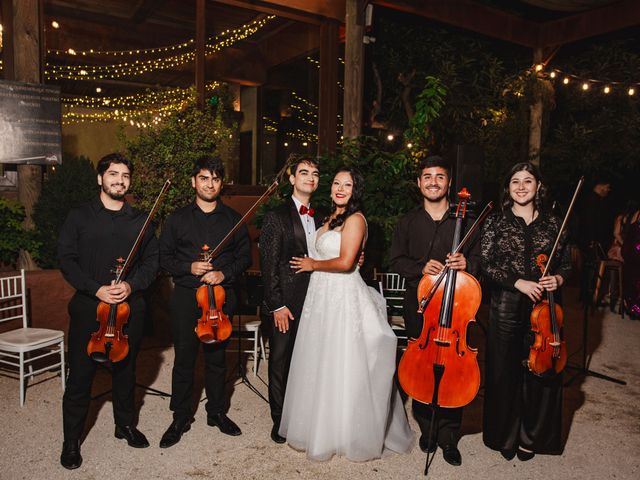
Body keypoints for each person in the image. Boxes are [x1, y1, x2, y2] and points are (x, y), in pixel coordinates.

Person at [280, 167, 414, 461]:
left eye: (348, 185)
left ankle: (346, 433)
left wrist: (313, 265)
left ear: (356, 191)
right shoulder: (327, 218)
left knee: (343, 362)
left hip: (342, 296)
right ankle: (319, 427)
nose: (340, 188)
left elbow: (345, 262)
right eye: (337, 183)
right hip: (320, 297)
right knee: (319, 359)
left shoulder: (356, 219)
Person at [58, 153, 159, 470]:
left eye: (125, 175)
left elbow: (151, 263)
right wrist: (95, 288)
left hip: (131, 307)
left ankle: (124, 424)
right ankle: (72, 440)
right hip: (90, 306)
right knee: (81, 375)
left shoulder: (141, 220)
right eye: (113, 173)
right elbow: (66, 259)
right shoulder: (79, 216)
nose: (120, 179)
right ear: (100, 178)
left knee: (126, 370)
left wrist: (131, 286)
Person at [389, 155, 480, 467]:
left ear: (449, 182)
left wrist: (469, 264)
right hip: (420, 309)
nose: (433, 182)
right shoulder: (407, 222)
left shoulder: (464, 223)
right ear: (419, 183)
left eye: (439, 177)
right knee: (421, 371)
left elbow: (482, 262)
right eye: (427, 176)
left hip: (455, 311)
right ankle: (427, 428)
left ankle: (449, 437)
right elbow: (395, 261)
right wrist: (419, 267)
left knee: (454, 372)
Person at [158, 156, 251, 448]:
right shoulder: (177, 219)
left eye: (215, 179)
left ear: (221, 183)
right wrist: (189, 267)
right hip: (187, 297)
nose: (209, 184)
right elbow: (164, 257)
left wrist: (224, 272)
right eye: (204, 178)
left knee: (217, 360)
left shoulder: (233, 220)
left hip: (221, 299)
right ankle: (180, 416)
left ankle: (217, 412)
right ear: (193, 182)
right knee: (184, 359)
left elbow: (244, 258)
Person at [480, 162, 571, 461]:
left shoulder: (555, 224)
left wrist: (557, 278)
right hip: (506, 303)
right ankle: (504, 435)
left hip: (545, 308)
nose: (521, 186)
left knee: (541, 372)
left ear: (538, 187)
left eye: (527, 181)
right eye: (515, 181)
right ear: (508, 188)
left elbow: (567, 264)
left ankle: (532, 437)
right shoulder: (495, 222)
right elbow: (486, 263)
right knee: (503, 371)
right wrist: (517, 282)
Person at [258, 156, 322, 444]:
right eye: (304, 172)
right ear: (292, 179)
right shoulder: (276, 216)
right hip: (286, 302)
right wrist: (276, 306)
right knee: (281, 360)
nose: (310, 177)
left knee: (309, 359)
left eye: (315, 173)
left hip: (318, 300)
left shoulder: (324, 216)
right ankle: (279, 419)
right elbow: (268, 265)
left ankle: (304, 414)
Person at [621, 202, 640, 319]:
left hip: (632, 251)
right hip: (635, 252)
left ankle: (632, 307)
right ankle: (633, 308)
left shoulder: (635, 215)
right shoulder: (637, 215)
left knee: (632, 279)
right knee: (634, 279)